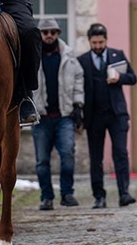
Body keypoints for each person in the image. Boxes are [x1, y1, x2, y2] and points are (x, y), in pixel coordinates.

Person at [77, 23, 137, 208]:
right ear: (89, 41)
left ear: (106, 40)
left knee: (120, 153)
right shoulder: (82, 61)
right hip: (93, 116)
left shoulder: (116, 55)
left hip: (116, 114)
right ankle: (99, 197)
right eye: (94, 43)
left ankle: (124, 193)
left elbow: (133, 78)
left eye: (100, 42)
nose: (97, 46)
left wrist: (119, 78)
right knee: (96, 158)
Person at [32, 18, 85, 211]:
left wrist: (78, 106)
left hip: (64, 116)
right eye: (45, 32)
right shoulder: (32, 57)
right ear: (40, 34)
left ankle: (67, 194)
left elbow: (79, 80)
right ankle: (46, 197)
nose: (49, 36)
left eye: (52, 32)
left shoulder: (69, 56)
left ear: (58, 34)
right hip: (41, 117)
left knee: (68, 155)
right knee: (42, 161)